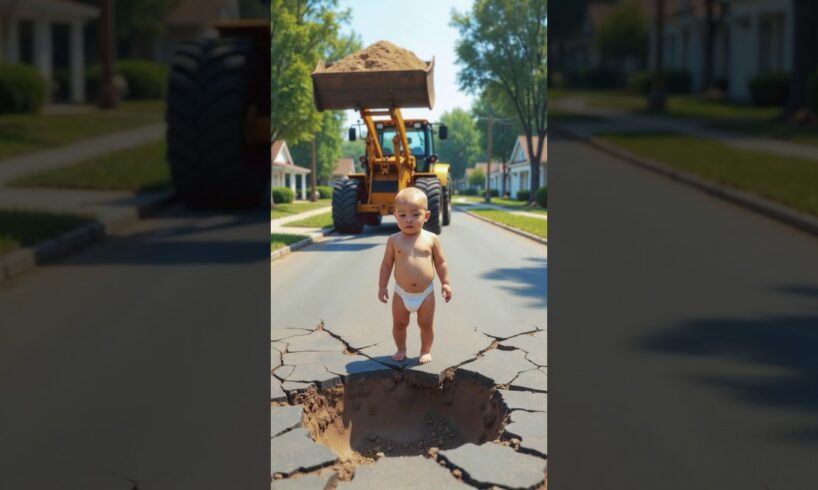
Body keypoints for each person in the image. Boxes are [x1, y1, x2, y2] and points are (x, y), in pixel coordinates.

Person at [378, 187, 452, 364]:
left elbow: (441, 262)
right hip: (400, 293)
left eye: (415, 214)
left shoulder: (431, 238)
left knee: (426, 325)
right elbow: (387, 264)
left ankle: (425, 351)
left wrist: (446, 283)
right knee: (399, 324)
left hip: (425, 293)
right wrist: (382, 286)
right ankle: (401, 349)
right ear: (395, 216)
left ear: (426, 216)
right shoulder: (394, 240)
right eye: (402, 215)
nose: (408, 219)